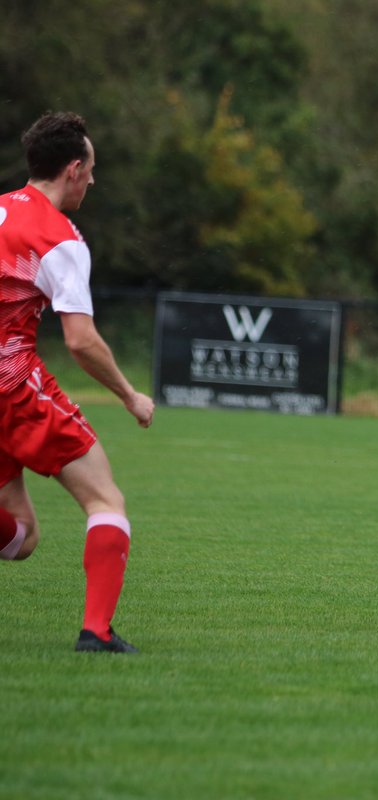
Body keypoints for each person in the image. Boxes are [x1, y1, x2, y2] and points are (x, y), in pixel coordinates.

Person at [0, 111, 155, 653]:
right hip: (11, 385)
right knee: (106, 499)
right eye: (90, 169)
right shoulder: (59, 237)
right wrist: (130, 395)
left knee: (20, 536)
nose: (93, 179)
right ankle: (97, 630)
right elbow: (81, 342)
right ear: (71, 169)